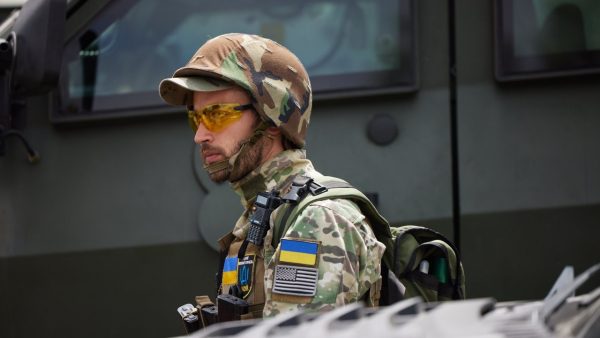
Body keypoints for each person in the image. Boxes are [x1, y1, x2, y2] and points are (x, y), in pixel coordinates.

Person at [159, 33, 385, 319]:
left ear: (272, 120)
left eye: (216, 115)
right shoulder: (263, 217)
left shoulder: (315, 221)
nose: (201, 135)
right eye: (195, 118)